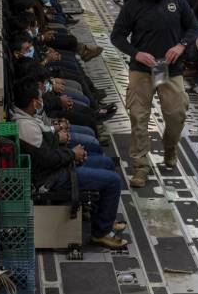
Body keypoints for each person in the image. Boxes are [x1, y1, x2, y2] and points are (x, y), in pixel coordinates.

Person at [111, 0, 198, 188]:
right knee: (139, 116)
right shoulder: (134, 4)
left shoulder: (177, 1)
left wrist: (181, 45)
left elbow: (193, 28)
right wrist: (136, 53)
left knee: (176, 113)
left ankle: (170, 148)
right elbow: (117, 36)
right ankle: (140, 165)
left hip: (167, 68)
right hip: (142, 69)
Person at [12, 78, 127, 249]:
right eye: (40, 98)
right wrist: (72, 154)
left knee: (106, 164)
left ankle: (102, 218)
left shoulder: (27, 117)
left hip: (56, 166)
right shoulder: (26, 127)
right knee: (113, 181)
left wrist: (70, 152)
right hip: (51, 178)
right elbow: (47, 159)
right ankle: (101, 233)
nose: (42, 100)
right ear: (34, 102)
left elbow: (47, 150)